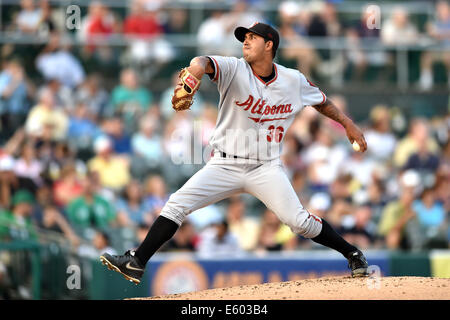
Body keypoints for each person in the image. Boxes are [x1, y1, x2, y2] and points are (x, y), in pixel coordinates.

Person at [100, 22, 369, 284]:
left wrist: (348, 124)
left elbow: (322, 102)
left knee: (299, 222)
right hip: (224, 165)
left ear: (269, 44)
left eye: (252, 37)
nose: (246, 42)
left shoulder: (292, 80)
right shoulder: (234, 68)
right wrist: (193, 74)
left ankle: (352, 252)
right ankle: (137, 261)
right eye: (244, 38)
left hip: (266, 167)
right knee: (176, 204)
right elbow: (203, 61)